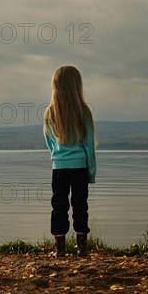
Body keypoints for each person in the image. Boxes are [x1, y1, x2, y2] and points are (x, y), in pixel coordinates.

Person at [43, 65, 96, 258]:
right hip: (80, 167)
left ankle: (60, 249)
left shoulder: (50, 112)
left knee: (59, 206)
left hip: (59, 167)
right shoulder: (84, 112)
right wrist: (91, 172)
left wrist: (57, 157)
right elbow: (89, 146)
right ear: (77, 86)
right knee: (80, 205)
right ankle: (82, 248)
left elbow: (49, 142)